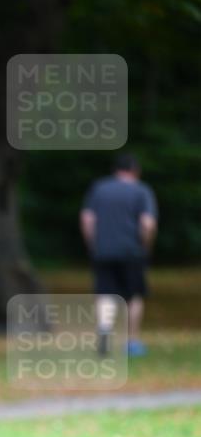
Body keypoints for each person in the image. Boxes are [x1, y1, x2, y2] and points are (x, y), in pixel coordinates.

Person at [80, 152, 158, 356]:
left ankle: (105, 332)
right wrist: (146, 245)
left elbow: (87, 219)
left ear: (116, 170)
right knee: (133, 296)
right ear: (135, 171)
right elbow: (147, 223)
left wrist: (92, 244)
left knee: (105, 293)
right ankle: (132, 342)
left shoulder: (99, 188)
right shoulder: (141, 191)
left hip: (103, 250)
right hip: (132, 250)